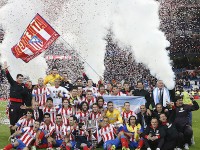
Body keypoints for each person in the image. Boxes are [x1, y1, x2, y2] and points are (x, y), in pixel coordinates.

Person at [3, 62, 27, 134]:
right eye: (20, 78)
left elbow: (26, 95)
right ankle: (12, 135)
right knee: (12, 121)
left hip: (20, 105)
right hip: (13, 104)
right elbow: (8, 76)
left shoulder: (24, 86)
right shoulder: (13, 83)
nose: (21, 79)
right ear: (17, 78)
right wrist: (6, 69)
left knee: (19, 121)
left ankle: (18, 135)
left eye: (22, 78)